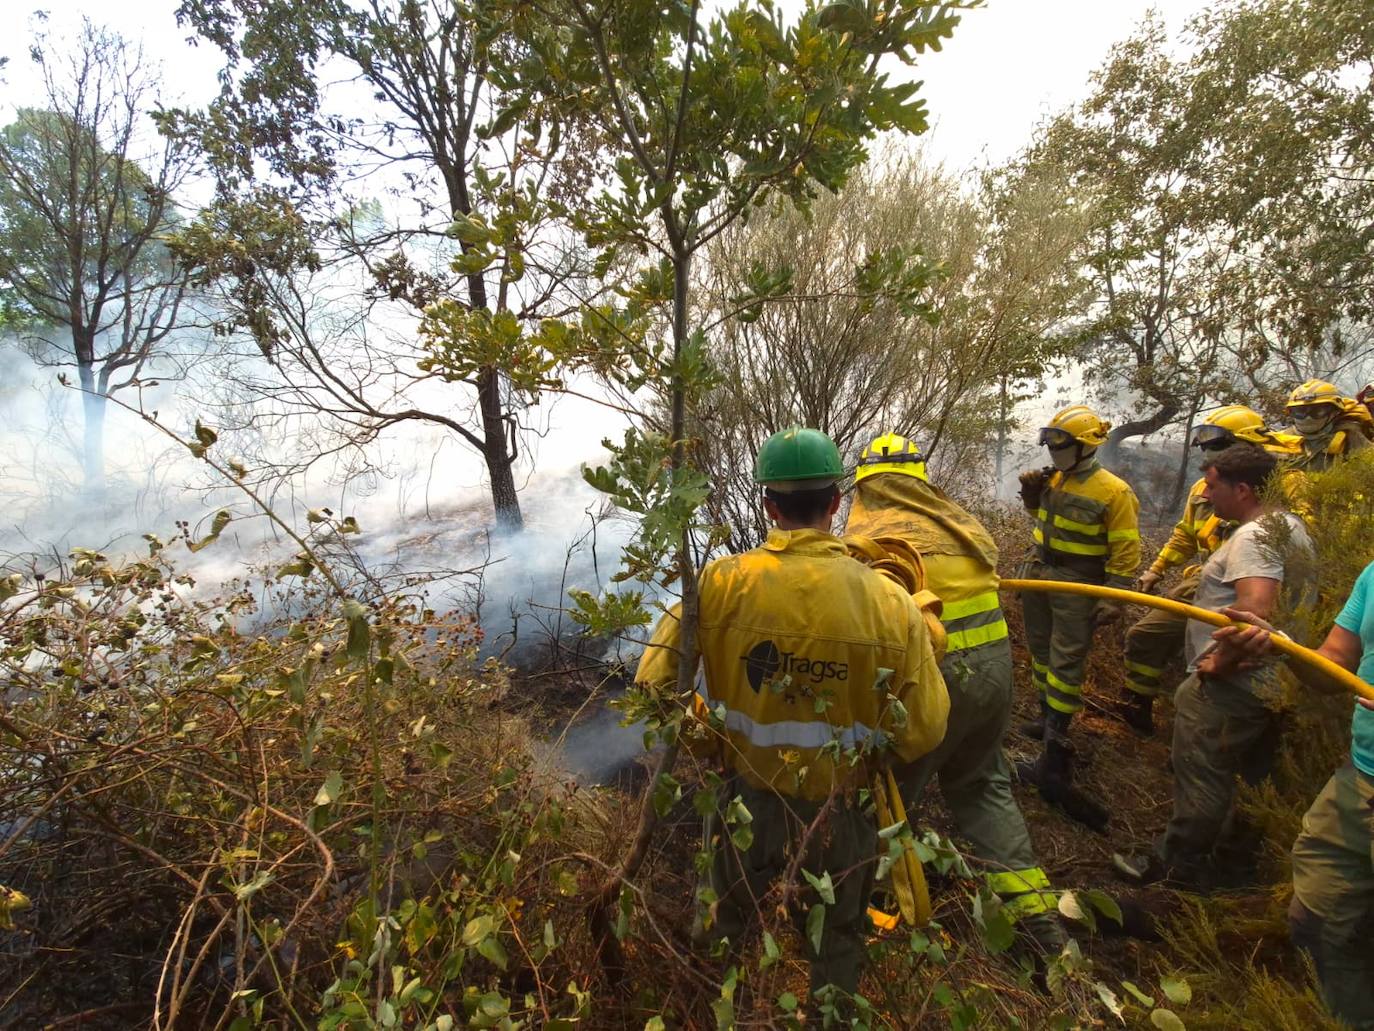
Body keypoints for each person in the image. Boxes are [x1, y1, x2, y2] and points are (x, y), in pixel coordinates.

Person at [635, 427, 950, 1013]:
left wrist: (711, 741)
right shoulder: (890, 604)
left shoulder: (719, 583)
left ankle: (714, 1013)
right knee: (838, 937)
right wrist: (871, 756)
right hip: (842, 809)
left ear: (768, 505)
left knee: (725, 924)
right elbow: (926, 728)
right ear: (836, 502)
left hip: (744, 799)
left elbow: (653, 688)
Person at [845, 433, 1063, 952]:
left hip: (932, 689)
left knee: (883, 800)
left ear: (865, 486)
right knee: (982, 784)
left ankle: (871, 920)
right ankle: (1038, 922)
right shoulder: (961, 526)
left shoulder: (870, 545)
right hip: (993, 682)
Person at [1113, 443, 1314, 886]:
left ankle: (1176, 868)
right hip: (1276, 681)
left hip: (1234, 686)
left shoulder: (1254, 538)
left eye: (1212, 485)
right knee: (1256, 779)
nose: (1204, 495)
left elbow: (1256, 609)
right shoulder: (1292, 528)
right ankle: (1233, 868)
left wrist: (1220, 663)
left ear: (1243, 490)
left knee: (1202, 774)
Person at [1203, 566, 1374, 1030]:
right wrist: (1280, 643)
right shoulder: (1372, 574)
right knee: (1316, 921)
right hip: (1359, 779)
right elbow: (1334, 662)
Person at [1117, 405, 1297, 735]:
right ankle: (1137, 705)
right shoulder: (1204, 489)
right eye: (1205, 446)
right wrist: (1157, 569)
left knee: (1223, 663)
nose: (1209, 453)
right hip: (1204, 582)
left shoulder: (1282, 493)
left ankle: (1203, 720)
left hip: (1254, 591)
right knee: (1145, 635)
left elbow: (1261, 598)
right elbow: (1185, 534)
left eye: (1218, 444)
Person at [1015, 405, 1140, 827]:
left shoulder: (1114, 492)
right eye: (1049, 442)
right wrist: (1033, 498)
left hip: (1078, 583)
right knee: (1040, 651)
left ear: (1086, 445)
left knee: (1066, 659)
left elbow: (1125, 547)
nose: (1053, 450)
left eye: (1060, 442)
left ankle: (1057, 739)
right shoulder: (1054, 479)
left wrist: (1116, 595)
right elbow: (1046, 523)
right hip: (1040, 571)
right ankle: (1044, 714)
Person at [1286, 379, 1371, 472]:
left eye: (1317, 411)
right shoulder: (1280, 440)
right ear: (1290, 412)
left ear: (1335, 411)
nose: (1308, 418)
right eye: (1300, 411)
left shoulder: (1351, 437)